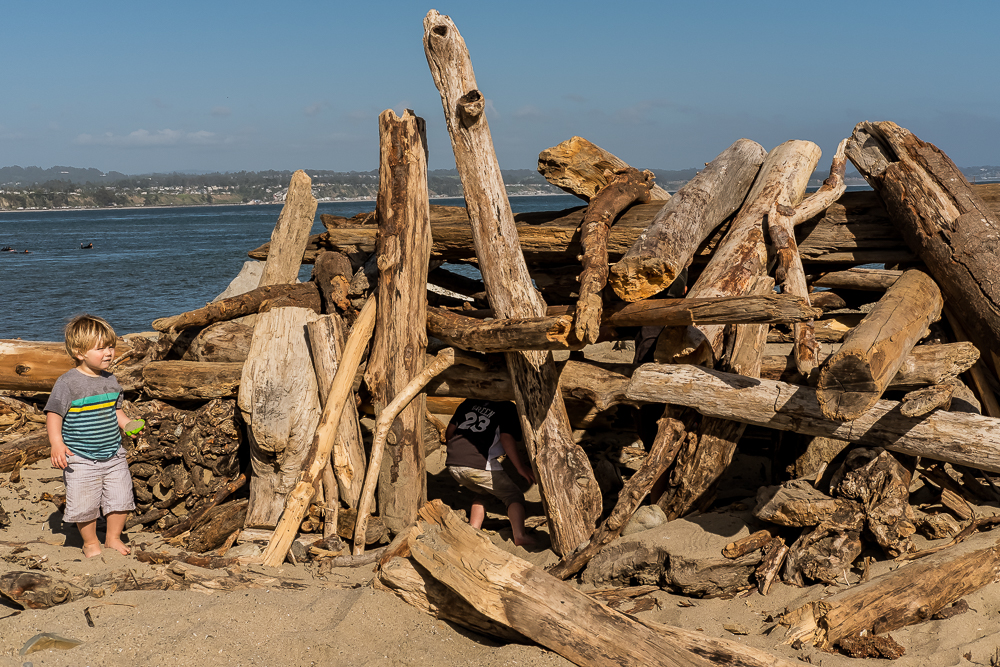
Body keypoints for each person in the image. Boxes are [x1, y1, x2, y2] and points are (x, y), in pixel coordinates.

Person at [45, 315, 137, 557]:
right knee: (84, 503)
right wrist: (57, 443)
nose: (108, 353)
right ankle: (90, 542)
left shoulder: (111, 380)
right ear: (79, 352)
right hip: (80, 456)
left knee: (121, 498)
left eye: (111, 346)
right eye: (100, 348)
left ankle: (113, 538)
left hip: (113, 453)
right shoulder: (68, 383)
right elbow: (54, 414)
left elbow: (115, 410)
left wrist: (128, 425)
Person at [445, 398, 537, 546]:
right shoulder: (506, 407)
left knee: (484, 492)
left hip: (453, 463)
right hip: (478, 464)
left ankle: (473, 528)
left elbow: (449, 432)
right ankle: (520, 535)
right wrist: (520, 467)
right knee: (512, 495)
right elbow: (506, 437)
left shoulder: (468, 402)